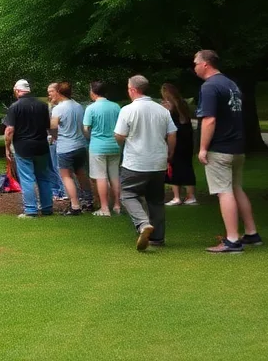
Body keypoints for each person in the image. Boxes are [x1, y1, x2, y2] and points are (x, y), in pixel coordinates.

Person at [194, 50, 262, 253]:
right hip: (237, 148)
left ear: (206, 64)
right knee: (236, 188)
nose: (194, 67)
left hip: (220, 148)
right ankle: (251, 233)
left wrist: (203, 148)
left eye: (196, 63)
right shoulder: (231, 84)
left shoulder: (209, 87)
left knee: (224, 192)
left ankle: (232, 240)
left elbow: (209, 119)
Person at [114, 75, 176, 251]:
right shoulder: (162, 110)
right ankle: (158, 238)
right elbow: (172, 134)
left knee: (127, 194)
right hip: (158, 162)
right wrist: (169, 153)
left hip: (135, 162)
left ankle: (142, 224)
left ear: (133, 90)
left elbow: (120, 135)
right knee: (156, 200)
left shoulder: (128, 110)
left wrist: (120, 140)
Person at [2, 79, 55, 218]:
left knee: (27, 178)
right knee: (44, 177)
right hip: (41, 145)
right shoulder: (42, 105)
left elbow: (9, 130)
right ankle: (47, 208)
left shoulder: (15, 107)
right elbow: (48, 127)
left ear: (17, 90)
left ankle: (31, 210)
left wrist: (7, 147)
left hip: (23, 147)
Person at [48, 81, 93, 216]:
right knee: (81, 173)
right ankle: (88, 201)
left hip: (65, 146)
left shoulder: (58, 108)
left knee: (66, 176)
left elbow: (53, 126)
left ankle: (75, 205)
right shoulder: (78, 106)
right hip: (80, 145)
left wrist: (54, 137)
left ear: (59, 93)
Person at [83, 80, 123, 217]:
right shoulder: (116, 107)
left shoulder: (91, 108)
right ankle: (117, 205)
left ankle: (105, 207)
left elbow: (86, 128)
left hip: (98, 145)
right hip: (115, 144)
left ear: (93, 92)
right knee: (114, 175)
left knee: (100, 177)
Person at [160, 83, 197, 206]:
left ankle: (176, 197)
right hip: (187, 138)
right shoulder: (183, 104)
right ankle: (191, 196)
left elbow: (168, 121)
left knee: (173, 165)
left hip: (176, 137)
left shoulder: (171, 107)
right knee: (187, 166)